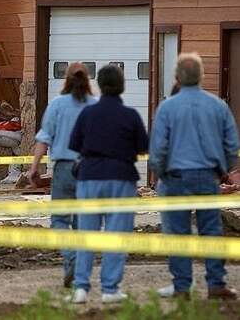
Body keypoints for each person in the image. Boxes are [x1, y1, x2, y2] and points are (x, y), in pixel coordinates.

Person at [149, 53, 239, 300]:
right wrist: (228, 170)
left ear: (177, 77)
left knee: (177, 233)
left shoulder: (167, 108)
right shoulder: (218, 106)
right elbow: (231, 142)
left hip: (175, 178)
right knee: (211, 230)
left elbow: (158, 147)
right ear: (202, 76)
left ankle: (182, 286)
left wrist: (159, 173)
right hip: (208, 177)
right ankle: (216, 284)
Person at [66, 64, 148, 304]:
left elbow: (75, 145)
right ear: (122, 85)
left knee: (86, 233)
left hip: (90, 176)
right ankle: (110, 289)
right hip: (121, 176)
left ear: (100, 85)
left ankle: (81, 287)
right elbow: (143, 146)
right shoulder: (130, 115)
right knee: (117, 234)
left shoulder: (87, 113)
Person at [25, 62, 96, 288]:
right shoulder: (95, 106)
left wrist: (34, 168)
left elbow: (44, 138)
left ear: (66, 79)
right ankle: (78, 268)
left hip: (64, 169)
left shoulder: (56, 105)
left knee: (60, 220)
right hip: (89, 170)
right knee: (83, 222)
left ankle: (71, 260)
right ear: (88, 80)